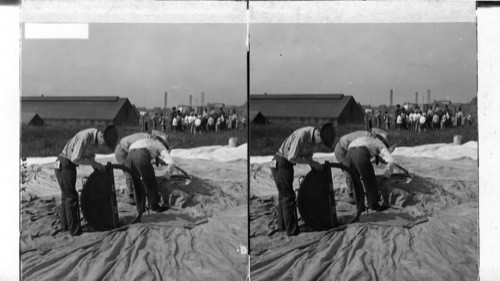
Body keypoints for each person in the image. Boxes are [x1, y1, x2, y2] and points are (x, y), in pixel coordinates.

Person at [271, 123, 335, 236]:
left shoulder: (312, 140)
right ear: (318, 134)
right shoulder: (303, 135)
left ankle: (283, 227)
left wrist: (315, 170)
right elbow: (292, 157)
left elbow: (308, 157)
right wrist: (311, 162)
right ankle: (292, 231)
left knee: (283, 196)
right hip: (281, 163)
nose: (320, 145)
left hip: (286, 164)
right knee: (288, 197)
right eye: (321, 142)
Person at [54, 125, 118, 236]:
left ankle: (65, 226)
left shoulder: (93, 140)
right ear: (101, 135)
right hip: (64, 163)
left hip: (67, 165)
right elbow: (75, 158)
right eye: (105, 143)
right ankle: (75, 231)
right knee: (71, 197)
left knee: (66, 196)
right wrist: (93, 163)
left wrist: (98, 170)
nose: (103, 146)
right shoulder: (86, 137)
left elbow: (90, 157)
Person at [114, 130, 170, 204]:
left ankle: (139, 193)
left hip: (129, 149)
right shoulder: (147, 140)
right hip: (122, 150)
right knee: (130, 173)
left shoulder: (151, 140)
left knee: (137, 172)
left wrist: (161, 160)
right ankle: (131, 195)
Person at [334, 128, 388, 204]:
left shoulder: (369, 138)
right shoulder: (367, 137)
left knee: (356, 172)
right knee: (349, 173)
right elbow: (361, 152)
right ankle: (352, 195)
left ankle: (358, 196)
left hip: (348, 149)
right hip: (342, 149)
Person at [343, 133, 394, 211]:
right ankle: (374, 205)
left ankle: (360, 207)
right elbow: (391, 161)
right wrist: (386, 175)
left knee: (355, 182)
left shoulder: (366, 139)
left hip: (348, 155)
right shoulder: (379, 143)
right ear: (383, 141)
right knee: (370, 180)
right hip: (360, 154)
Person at [125, 137, 176, 212]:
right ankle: (154, 206)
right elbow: (172, 163)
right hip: (141, 156)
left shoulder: (147, 141)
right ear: (165, 145)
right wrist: (166, 177)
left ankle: (140, 208)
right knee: (151, 183)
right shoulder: (160, 146)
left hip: (129, 157)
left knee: (136, 184)